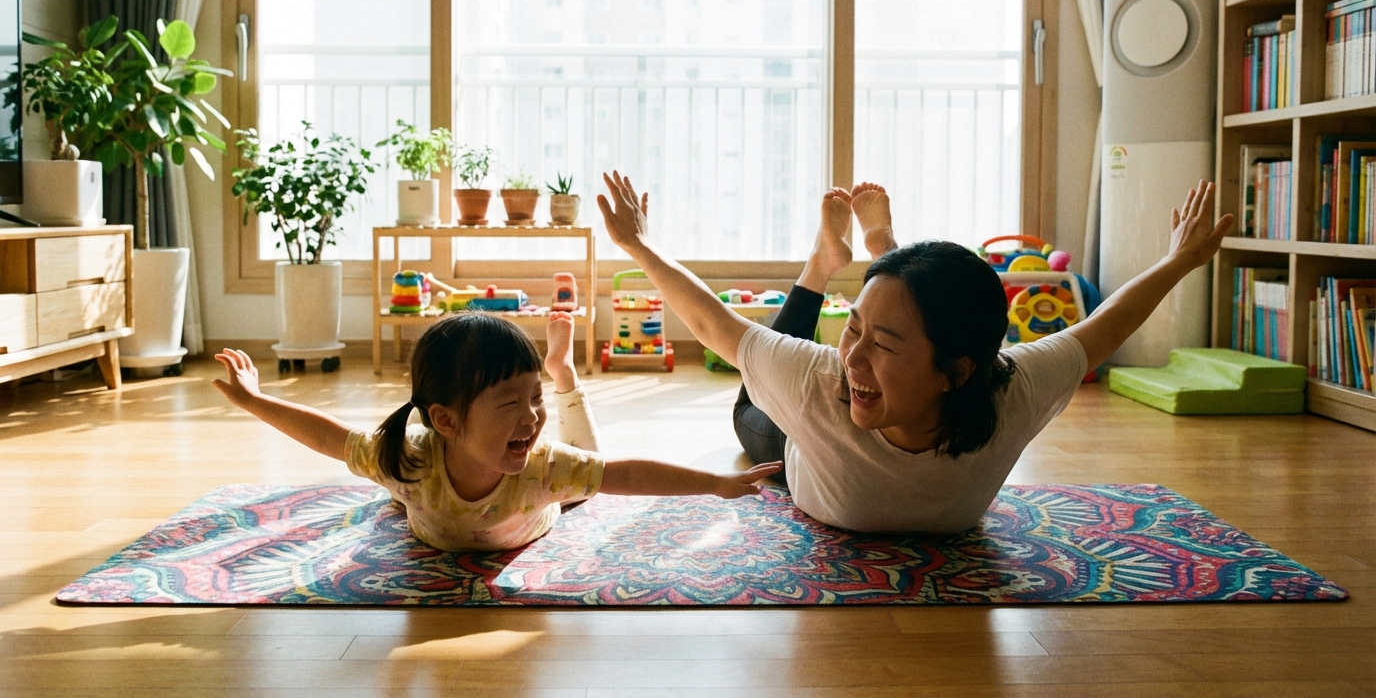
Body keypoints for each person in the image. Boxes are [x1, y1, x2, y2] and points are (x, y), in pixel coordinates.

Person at [598, 171, 1233, 534]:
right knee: (748, 417)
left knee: (899, 303)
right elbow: (715, 326)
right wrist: (638, 247)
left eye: (884, 346)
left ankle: (877, 254)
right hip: (799, 455)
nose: (852, 359)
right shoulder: (818, 386)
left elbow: (1103, 329)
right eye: (854, 331)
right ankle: (836, 262)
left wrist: (1180, 261)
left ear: (959, 373)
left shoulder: (1012, 390)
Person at [212, 311, 780, 551]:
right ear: (446, 421)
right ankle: (558, 374)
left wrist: (714, 483)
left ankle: (564, 378)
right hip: (426, 492)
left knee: (587, 465)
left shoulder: (544, 467)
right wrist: (256, 399)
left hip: (539, 503)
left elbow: (623, 473)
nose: (530, 418)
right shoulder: (408, 459)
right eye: (511, 402)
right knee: (397, 486)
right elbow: (328, 438)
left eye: (534, 399)